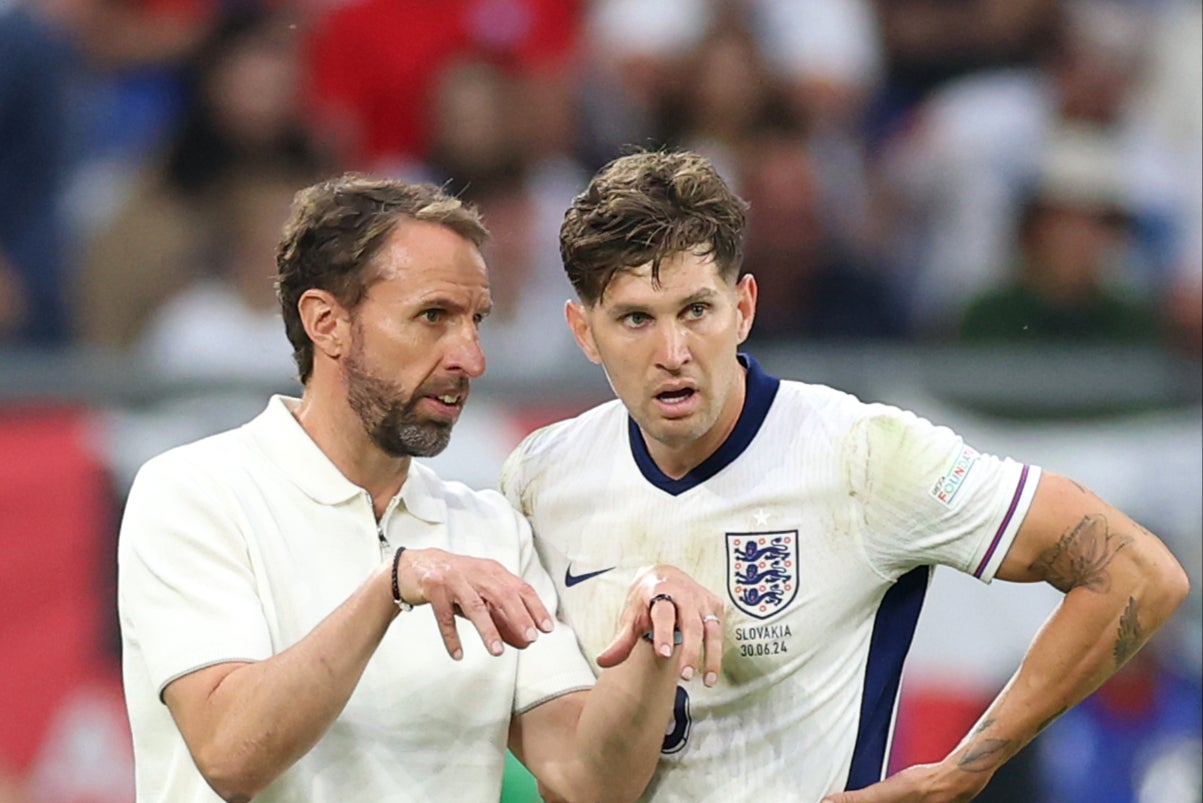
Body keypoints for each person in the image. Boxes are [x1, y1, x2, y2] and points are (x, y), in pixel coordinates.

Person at [498, 149, 1190, 801]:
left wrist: (961, 769)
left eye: (696, 310)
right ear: (582, 331)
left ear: (743, 307)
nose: (672, 350)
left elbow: (1136, 571)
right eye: (634, 320)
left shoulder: (861, 453)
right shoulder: (540, 477)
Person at [116, 173, 720, 802]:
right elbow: (229, 753)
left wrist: (656, 636)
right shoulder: (193, 493)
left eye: (476, 320)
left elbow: (586, 780)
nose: (471, 358)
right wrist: (393, 586)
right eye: (434, 316)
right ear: (327, 324)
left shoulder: (491, 529)